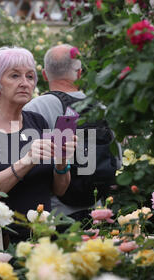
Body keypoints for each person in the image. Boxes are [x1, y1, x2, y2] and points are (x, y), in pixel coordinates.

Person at [0, 47, 75, 245]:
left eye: (30, 77)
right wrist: (26, 161)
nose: (25, 83)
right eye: (14, 76)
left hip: (42, 239)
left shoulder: (37, 122)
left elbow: (59, 190)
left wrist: (62, 161)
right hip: (1, 244)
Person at [23, 44, 92, 223]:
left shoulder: (35, 108)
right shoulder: (99, 108)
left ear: (44, 75)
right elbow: (117, 159)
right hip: (99, 212)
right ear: (80, 73)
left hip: (57, 215)